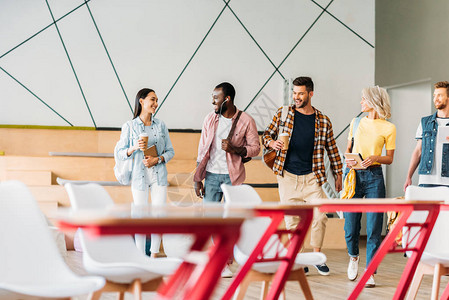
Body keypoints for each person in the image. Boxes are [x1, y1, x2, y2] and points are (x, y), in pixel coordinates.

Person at [262, 76, 343, 276]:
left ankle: (316, 256)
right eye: (294, 93)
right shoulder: (283, 114)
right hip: (287, 176)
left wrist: (338, 173)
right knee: (292, 221)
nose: (296, 97)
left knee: (320, 216)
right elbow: (266, 135)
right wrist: (272, 144)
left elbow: (332, 149)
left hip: (313, 177)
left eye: (300, 93)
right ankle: (299, 259)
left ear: (310, 94)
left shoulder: (323, 121)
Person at [193, 82, 260, 277]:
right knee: (212, 219)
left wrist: (235, 149)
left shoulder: (246, 120)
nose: (212, 101)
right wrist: (198, 177)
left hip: (233, 177)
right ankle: (219, 259)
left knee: (231, 221)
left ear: (227, 99)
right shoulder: (210, 119)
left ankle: (227, 261)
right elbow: (202, 149)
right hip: (212, 176)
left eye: (216, 98)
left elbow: (255, 148)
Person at [343, 86, 396, 288]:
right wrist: (348, 160)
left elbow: (389, 158)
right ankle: (353, 256)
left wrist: (375, 157)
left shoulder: (388, 128)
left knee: (374, 226)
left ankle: (370, 271)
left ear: (373, 101)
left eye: (363, 99)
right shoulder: (355, 122)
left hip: (374, 175)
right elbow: (348, 148)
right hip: (353, 175)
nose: (360, 102)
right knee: (350, 225)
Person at [114, 88, 175, 257]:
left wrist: (158, 159)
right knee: (140, 217)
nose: (156, 103)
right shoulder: (130, 126)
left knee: (159, 215)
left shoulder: (161, 125)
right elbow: (120, 152)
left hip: (159, 176)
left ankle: (154, 254)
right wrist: (134, 148)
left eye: (156, 100)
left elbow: (170, 151)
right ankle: (140, 255)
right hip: (138, 177)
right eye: (152, 100)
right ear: (141, 101)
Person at [404, 81, 449, 190]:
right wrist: (409, 176)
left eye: (440, 95)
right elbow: (418, 151)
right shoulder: (425, 122)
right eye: (434, 95)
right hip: (426, 181)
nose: (436, 98)